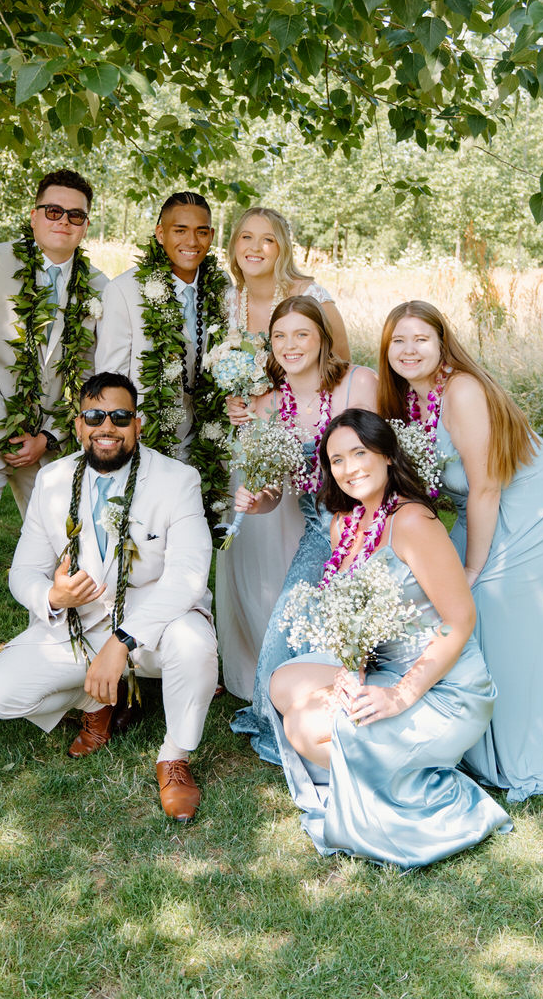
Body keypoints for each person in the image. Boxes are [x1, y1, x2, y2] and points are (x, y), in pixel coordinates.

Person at [270, 410, 512, 868]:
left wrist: (399, 697)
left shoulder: (414, 522)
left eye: (360, 452)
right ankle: (383, 755)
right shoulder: (346, 524)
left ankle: (422, 781)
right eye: (337, 459)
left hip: (442, 687)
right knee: (283, 684)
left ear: (384, 454)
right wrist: (351, 671)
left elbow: (459, 621)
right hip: (385, 667)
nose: (350, 468)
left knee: (302, 726)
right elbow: (359, 618)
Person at [0, 373, 218, 821]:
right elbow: (22, 572)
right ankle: (97, 701)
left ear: (138, 425)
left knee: (195, 645)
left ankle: (175, 756)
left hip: (156, 630)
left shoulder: (177, 479)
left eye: (120, 416)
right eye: (94, 415)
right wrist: (52, 594)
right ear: (77, 427)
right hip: (81, 626)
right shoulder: (52, 480)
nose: (106, 426)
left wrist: (121, 641)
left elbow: (188, 576)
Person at [378, 299, 543, 801]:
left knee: (490, 603)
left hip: (537, 508)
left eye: (421, 339)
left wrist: (472, 566)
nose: (409, 350)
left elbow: (487, 487)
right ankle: (471, 737)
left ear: (442, 344)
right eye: (398, 341)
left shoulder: (463, 391)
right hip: (491, 507)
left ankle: (526, 749)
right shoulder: (412, 400)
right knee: (440, 602)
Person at [0, 169, 108, 740]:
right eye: (53, 210)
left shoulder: (98, 284)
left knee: (78, 545)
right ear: (34, 212)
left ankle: (85, 678)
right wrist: (3, 431)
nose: (63, 222)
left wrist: (48, 437)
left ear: (87, 223)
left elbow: (93, 378)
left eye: (76, 215)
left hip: (49, 441)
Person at [226, 296, 377, 758]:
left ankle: (365, 714)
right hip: (318, 530)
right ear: (270, 346)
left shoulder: (358, 383)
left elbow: (378, 469)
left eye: (301, 334)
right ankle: (291, 722)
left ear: (322, 340)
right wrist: (256, 502)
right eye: (280, 336)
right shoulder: (269, 406)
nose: (290, 345)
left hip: (372, 524)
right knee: (285, 628)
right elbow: (273, 495)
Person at [95, 192, 228, 516]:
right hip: (147, 438)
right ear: (160, 233)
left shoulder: (223, 290)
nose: (191, 241)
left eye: (201, 231)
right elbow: (110, 381)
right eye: (180, 230)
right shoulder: (124, 291)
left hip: (206, 443)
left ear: (211, 235)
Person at [224, 206, 350, 361]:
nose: (255, 247)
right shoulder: (229, 301)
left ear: (282, 248)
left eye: (268, 240)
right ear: (235, 243)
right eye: (246, 237)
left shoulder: (313, 298)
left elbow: (343, 368)